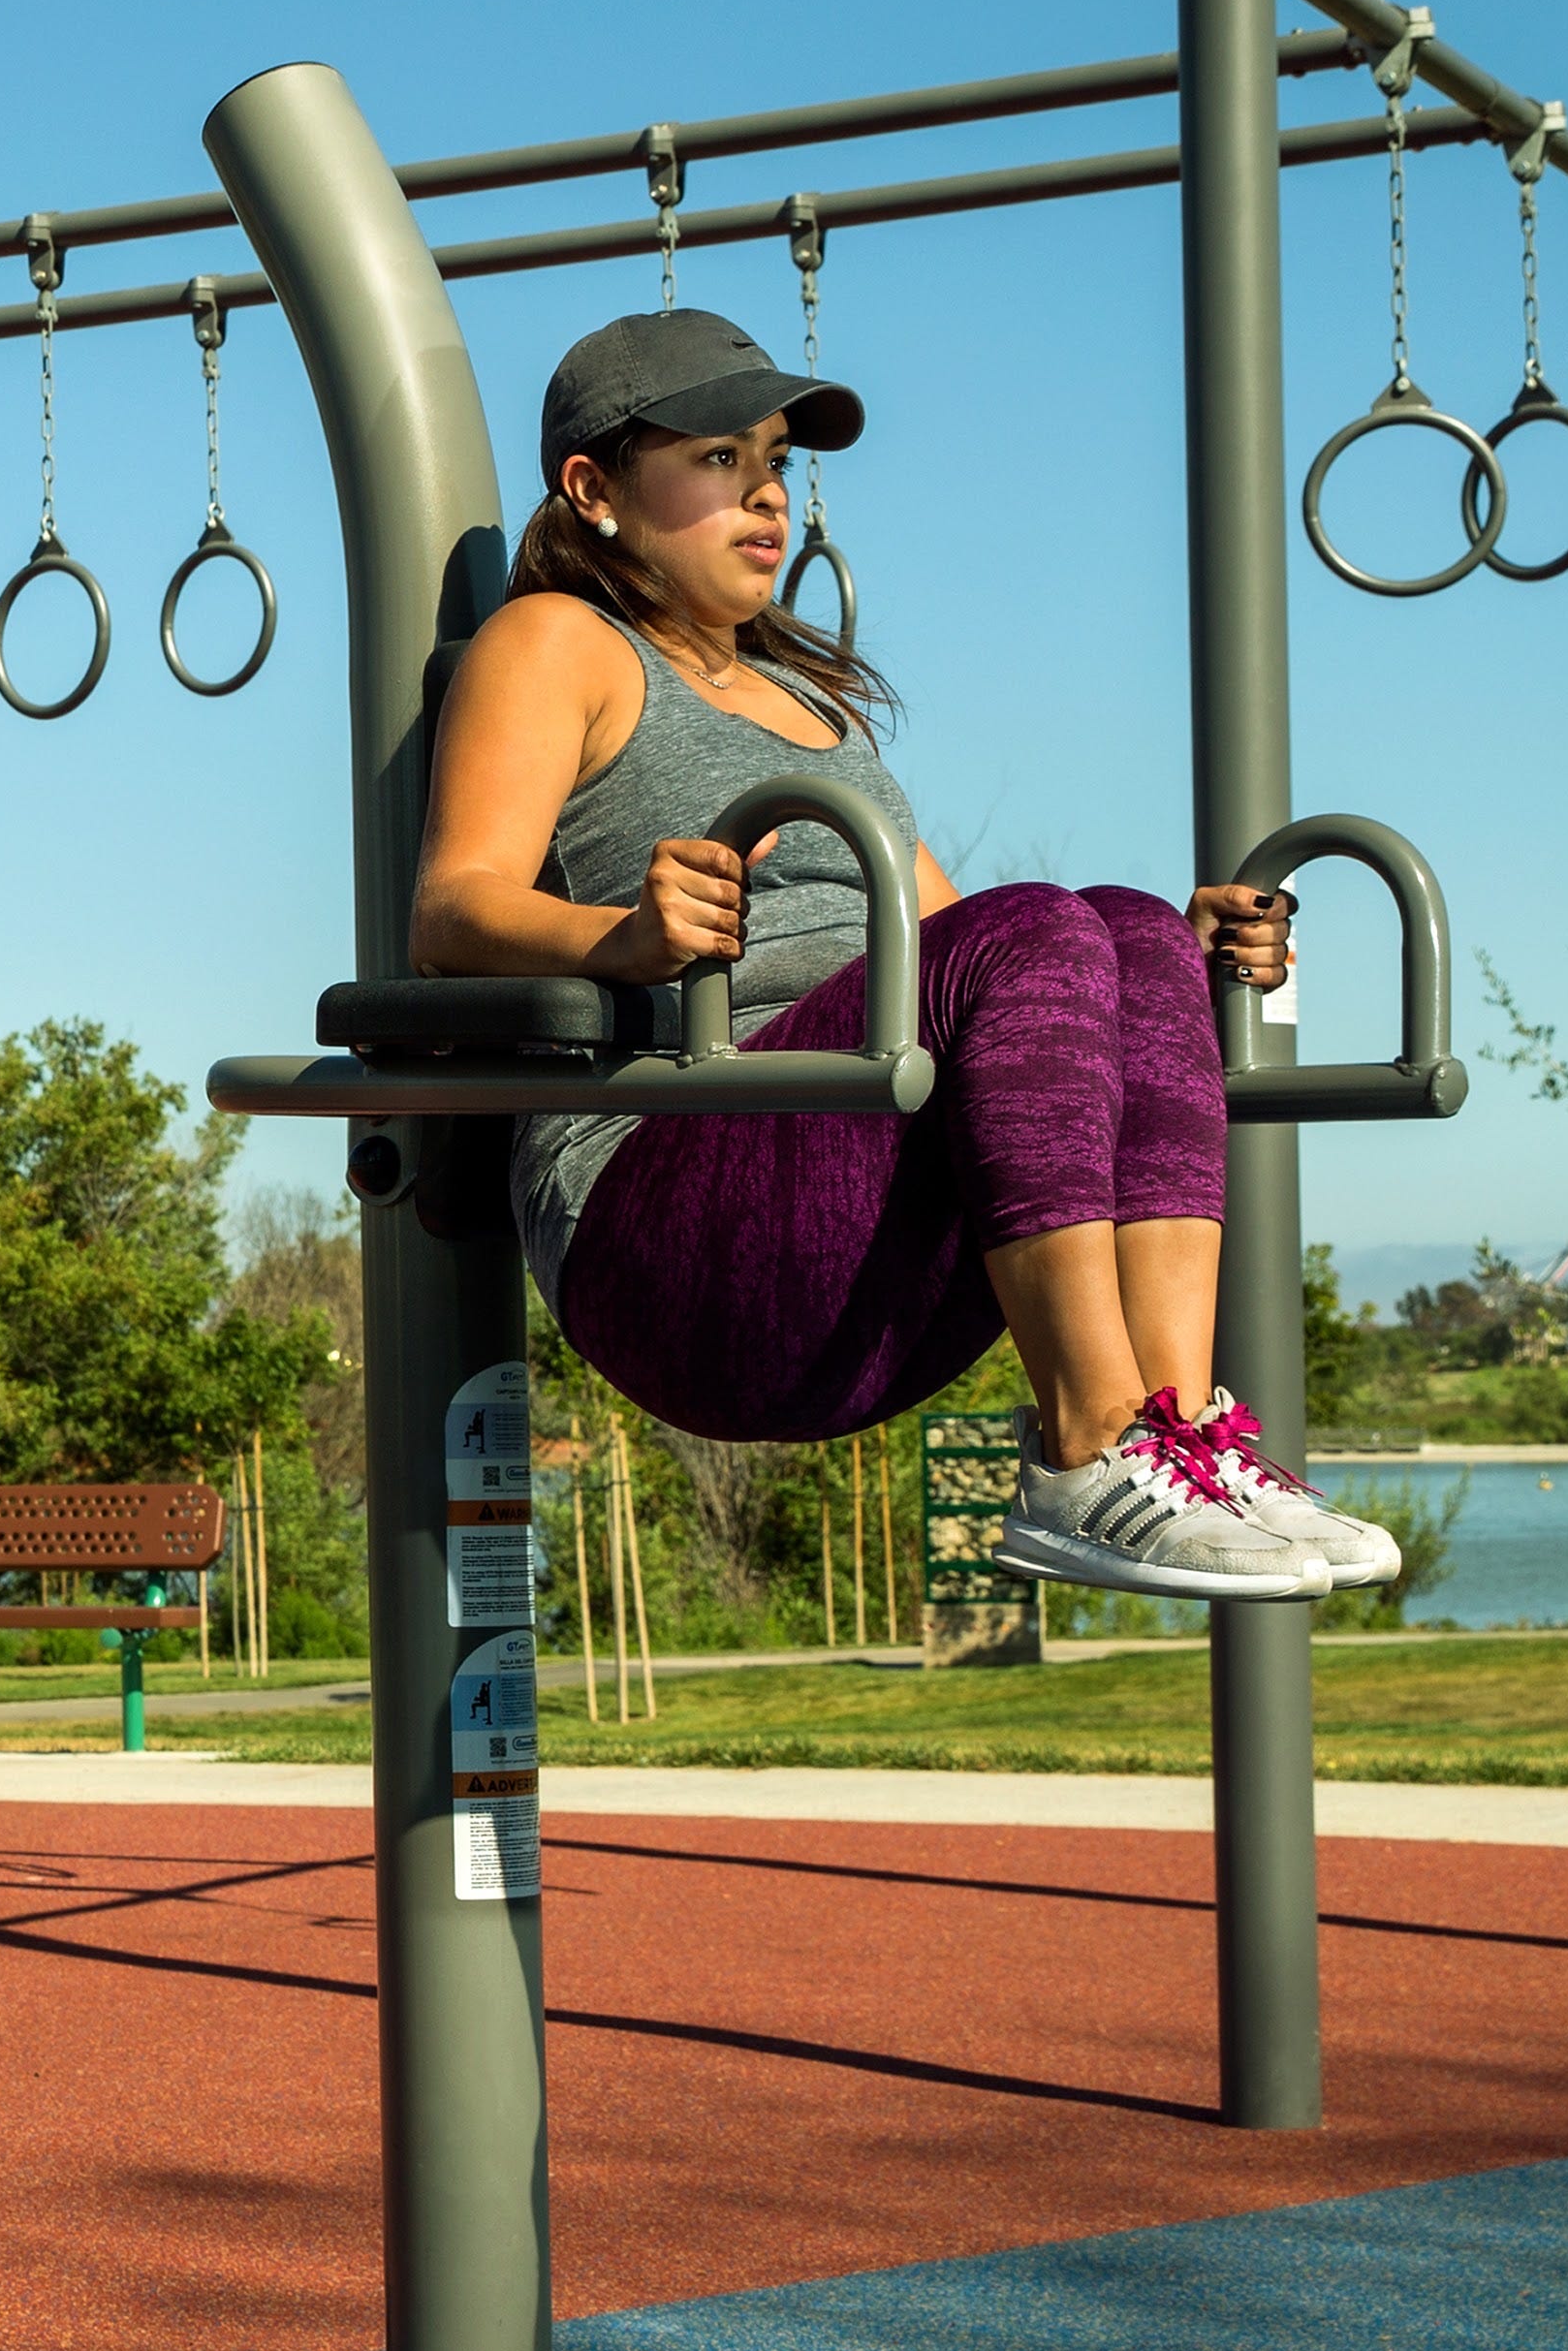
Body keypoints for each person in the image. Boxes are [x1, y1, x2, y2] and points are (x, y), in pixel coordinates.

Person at [417, 309, 1390, 1604]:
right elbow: (450, 907)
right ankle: (1091, 1442)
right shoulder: (558, 642)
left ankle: (1171, 1435)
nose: (763, 492)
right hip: (669, 1214)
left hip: (841, 1180)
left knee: (1129, 929)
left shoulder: (813, 706)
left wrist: (1164, 965)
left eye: (770, 460)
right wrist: (624, 938)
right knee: (1044, 925)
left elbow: (951, 950)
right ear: (591, 489)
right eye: (714, 458)